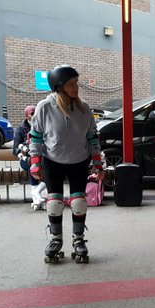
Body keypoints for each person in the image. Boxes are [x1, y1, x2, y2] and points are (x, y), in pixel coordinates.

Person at [29, 65, 104, 264]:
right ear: (59, 87)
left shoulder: (83, 108)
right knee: (54, 202)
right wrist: (35, 162)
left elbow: (92, 137)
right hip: (53, 160)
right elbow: (35, 136)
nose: (76, 87)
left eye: (76, 82)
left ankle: (78, 240)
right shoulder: (45, 107)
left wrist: (98, 164)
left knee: (79, 201)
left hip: (79, 160)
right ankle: (55, 240)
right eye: (72, 84)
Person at [13, 105, 47, 209]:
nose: (35, 116)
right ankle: (36, 198)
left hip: (42, 157)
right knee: (33, 165)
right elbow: (15, 149)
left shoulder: (42, 126)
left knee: (50, 167)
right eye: (32, 114)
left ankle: (36, 195)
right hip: (26, 159)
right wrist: (23, 150)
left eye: (36, 113)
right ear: (27, 116)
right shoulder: (20, 129)